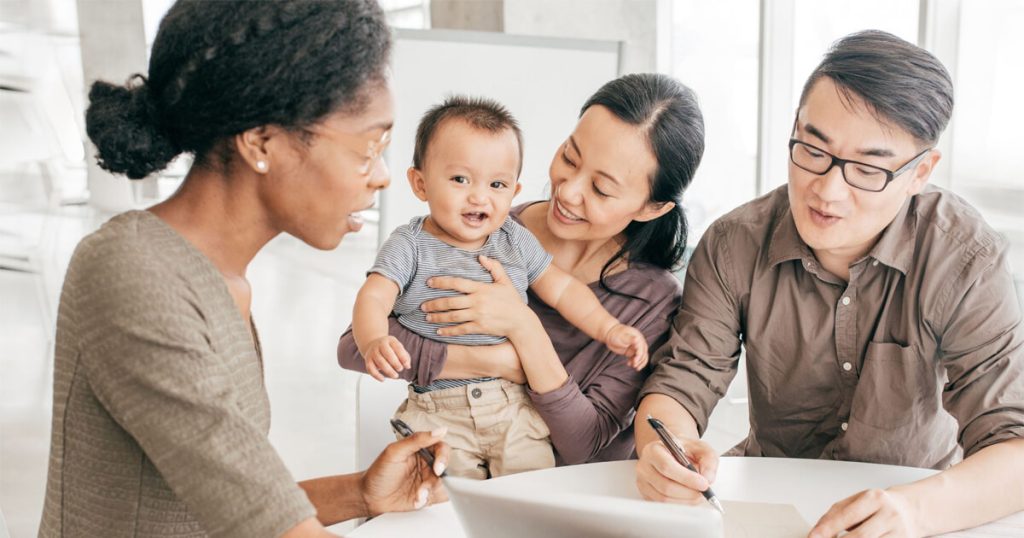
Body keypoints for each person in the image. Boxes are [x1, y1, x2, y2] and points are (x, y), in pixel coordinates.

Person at [38, 1, 449, 537]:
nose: (384, 177)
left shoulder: (222, 279)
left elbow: (223, 504)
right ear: (262, 142)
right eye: (368, 149)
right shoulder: (133, 273)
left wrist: (357, 493)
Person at [635, 30, 1024, 537]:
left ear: (920, 171)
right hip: (765, 505)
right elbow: (681, 384)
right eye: (812, 150)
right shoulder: (734, 243)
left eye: (867, 169)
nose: (827, 190)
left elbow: (1013, 446)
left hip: (917, 505)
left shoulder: (965, 259)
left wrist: (915, 511)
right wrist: (663, 449)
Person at [339, 73, 705, 466]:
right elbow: (353, 348)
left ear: (652, 207)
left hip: (562, 497)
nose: (566, 191)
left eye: (600, 189)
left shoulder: (651, 299)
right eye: (570, 156)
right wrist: (500, 363)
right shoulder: (481, 231)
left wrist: (524, 328)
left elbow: (586, 445)